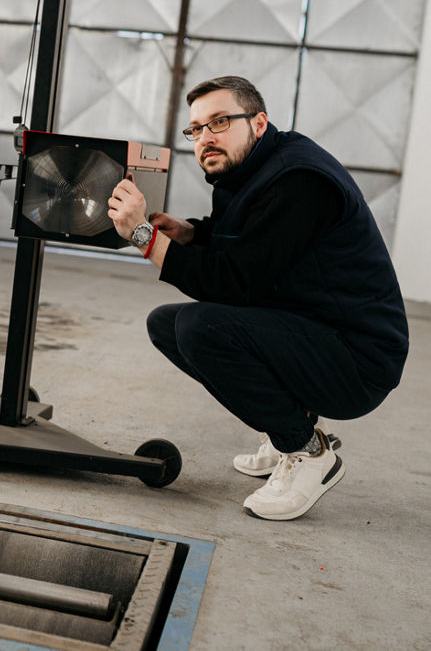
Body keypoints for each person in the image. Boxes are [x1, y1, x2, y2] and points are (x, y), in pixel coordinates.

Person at [106, 75, 409, 521]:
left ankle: (308, 452)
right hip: (315, 331)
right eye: (196, 129)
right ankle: (288, 424)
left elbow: (235, 283)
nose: (205, 138)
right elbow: (249, 241)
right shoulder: (250, 168)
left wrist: (143, 236)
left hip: (357, 360)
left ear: (259, 122)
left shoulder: (300, 180)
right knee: (166, 324)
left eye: (220, 122)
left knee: (201, 327)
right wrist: (189, 233)